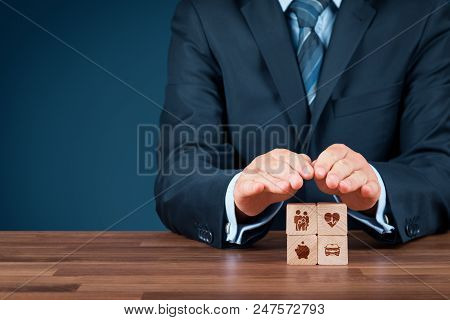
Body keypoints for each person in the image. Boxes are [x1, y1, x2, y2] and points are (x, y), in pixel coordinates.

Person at [155, 0, 450, 248]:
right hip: (247, 279)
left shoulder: (425, 10)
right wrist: (235, 196)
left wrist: (380, 190)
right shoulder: (205, 11)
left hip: (381, 274)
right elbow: (180, 168)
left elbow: (440, 164)